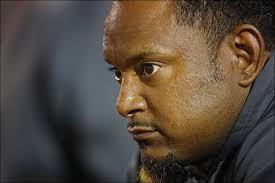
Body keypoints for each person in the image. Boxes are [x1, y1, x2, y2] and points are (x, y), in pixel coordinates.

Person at [103, 0, 274, 183]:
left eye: (148, 68)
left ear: (243, 57)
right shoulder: (173, 153)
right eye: (118, 74)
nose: (123, 104)